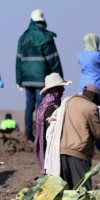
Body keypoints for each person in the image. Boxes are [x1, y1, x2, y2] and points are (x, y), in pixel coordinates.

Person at [16, 9, 63, 141]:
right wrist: (59, 78)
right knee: (41, 106)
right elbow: (54, 60)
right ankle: (40, 134)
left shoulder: (23, 38)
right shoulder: (46, 38)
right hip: (42, 77)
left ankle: (28, 134)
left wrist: (19, 79)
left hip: (26, 78)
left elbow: (18, 61)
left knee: (29, 105)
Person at [58, 84, 100, 190]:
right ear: (93, 96)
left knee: (66, 192)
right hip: (79, 154)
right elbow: (98, 135)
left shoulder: (67, 102)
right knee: (83, 191)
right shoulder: (90, 107)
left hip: (61, 152)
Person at [34, 73, 71, 174]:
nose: (63, 90)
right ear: (55, 90)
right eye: (61, 88)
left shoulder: (43, 106)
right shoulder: (53, 108)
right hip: (52, 148)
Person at [78, 33, 100, 115]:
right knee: (97, 112)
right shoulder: (97, 55)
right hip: (97, 85)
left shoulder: (80, 55)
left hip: (83, 87)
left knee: (83, 112)